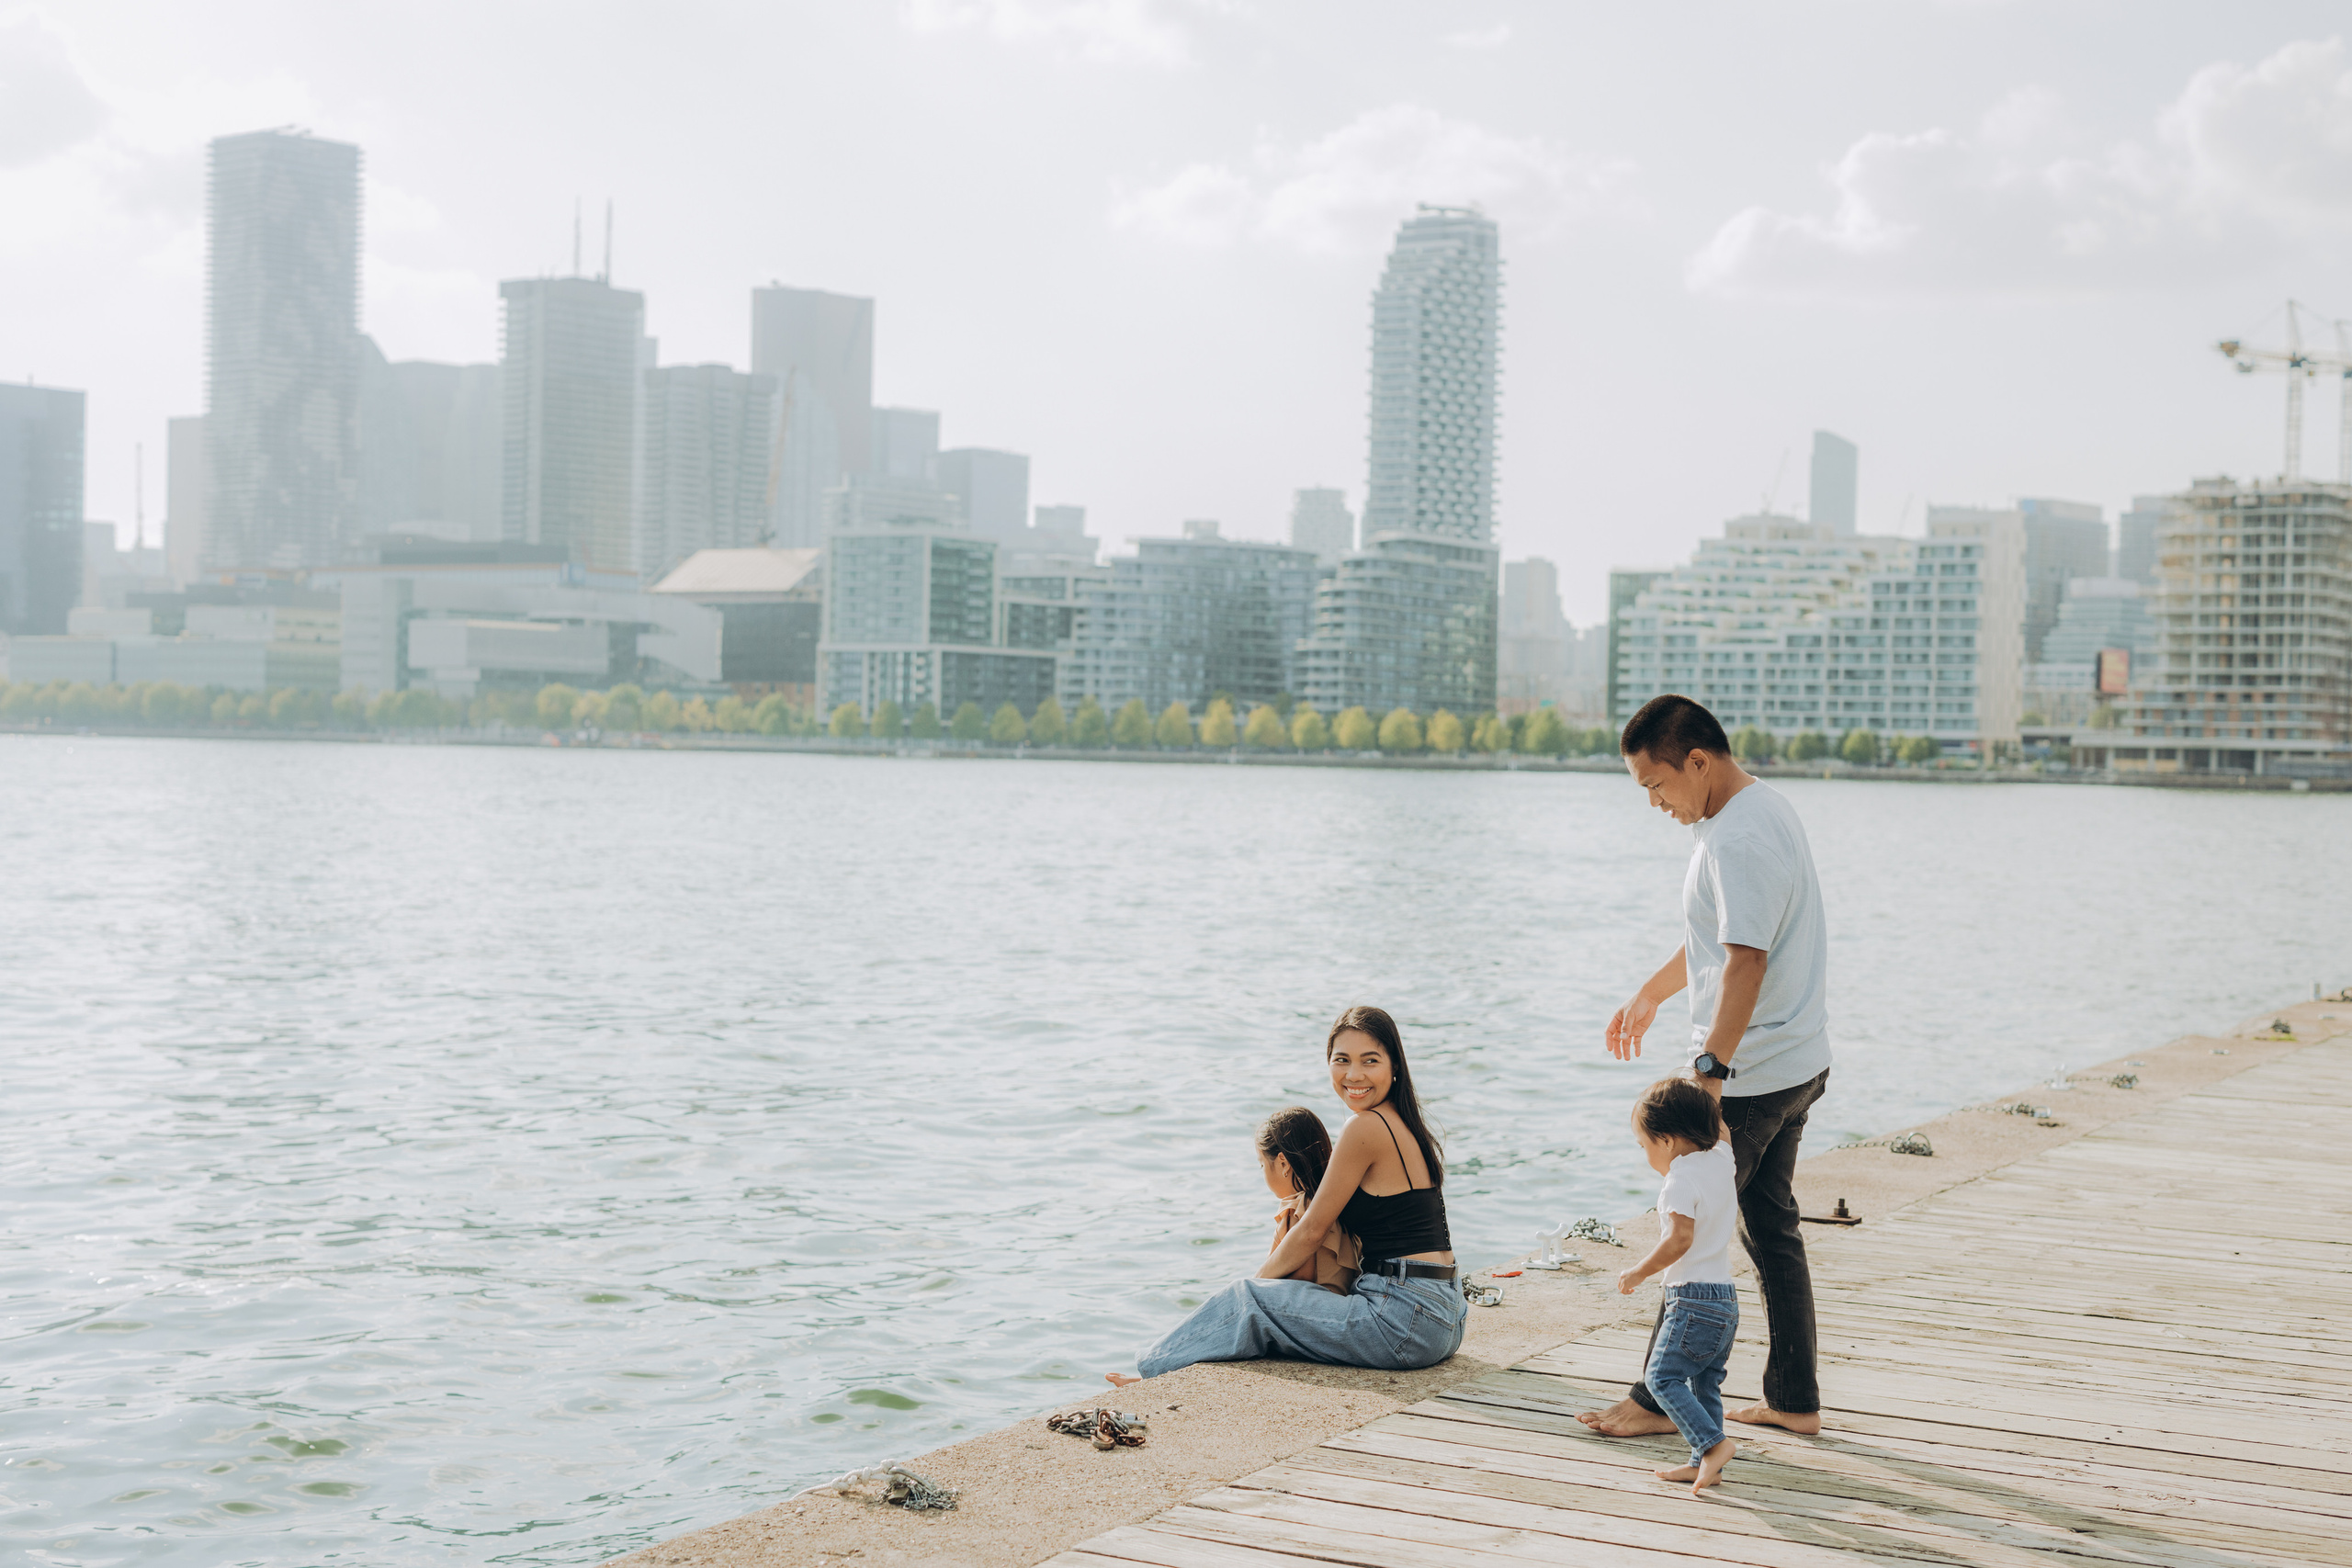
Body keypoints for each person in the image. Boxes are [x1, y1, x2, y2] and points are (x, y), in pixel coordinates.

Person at [1579, 693, 1832, 1440]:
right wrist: (1652, 993)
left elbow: (1747, 963)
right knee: (1770, 1230)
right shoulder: (1759, 810)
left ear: (1697, 759)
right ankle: (1793, 1396)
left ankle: (1656, 1400)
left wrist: (1709, 1077)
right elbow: (1720, 943)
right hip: (1796, 1060)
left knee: (1690, 1227)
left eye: (1656, 785)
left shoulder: (1736, 840)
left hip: (1750, 1075)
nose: (1654, 802)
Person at [1111, 1006, 1466, 1384]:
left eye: (1370, 1061)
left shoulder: (1365, 1126)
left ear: (1395, 1066)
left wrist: (1258, 1286)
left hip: (1403, 1322)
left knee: (1246, 1299)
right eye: (1341, 1060)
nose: (1354, 1075)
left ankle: (1149, 1376)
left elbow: (1313, 1229)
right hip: (1446, 1316)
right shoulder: (1406, 1124)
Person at [1616, 1077, 1740, 1494]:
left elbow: (1679, 1239)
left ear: (1667, 1140)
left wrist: (1639, 1271)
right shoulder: (1723, 1158)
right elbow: (1717, 1124)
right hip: (1724, 1297)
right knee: (1706, 1383)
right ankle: (1702, 1463)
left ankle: (1713, 1445)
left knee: (1661, 1378)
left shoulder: (1678, 1181)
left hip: (1691, 1299)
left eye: (1644, 1144)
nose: (1645, 1154)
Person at [1260, 1105, 1361, 1294]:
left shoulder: (1297, 1209)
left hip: (1317, 1309)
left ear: (1283, 1163)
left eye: (1262, 1164)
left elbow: (1301, 1279)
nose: (1262, 1172)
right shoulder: (1336, 1206)